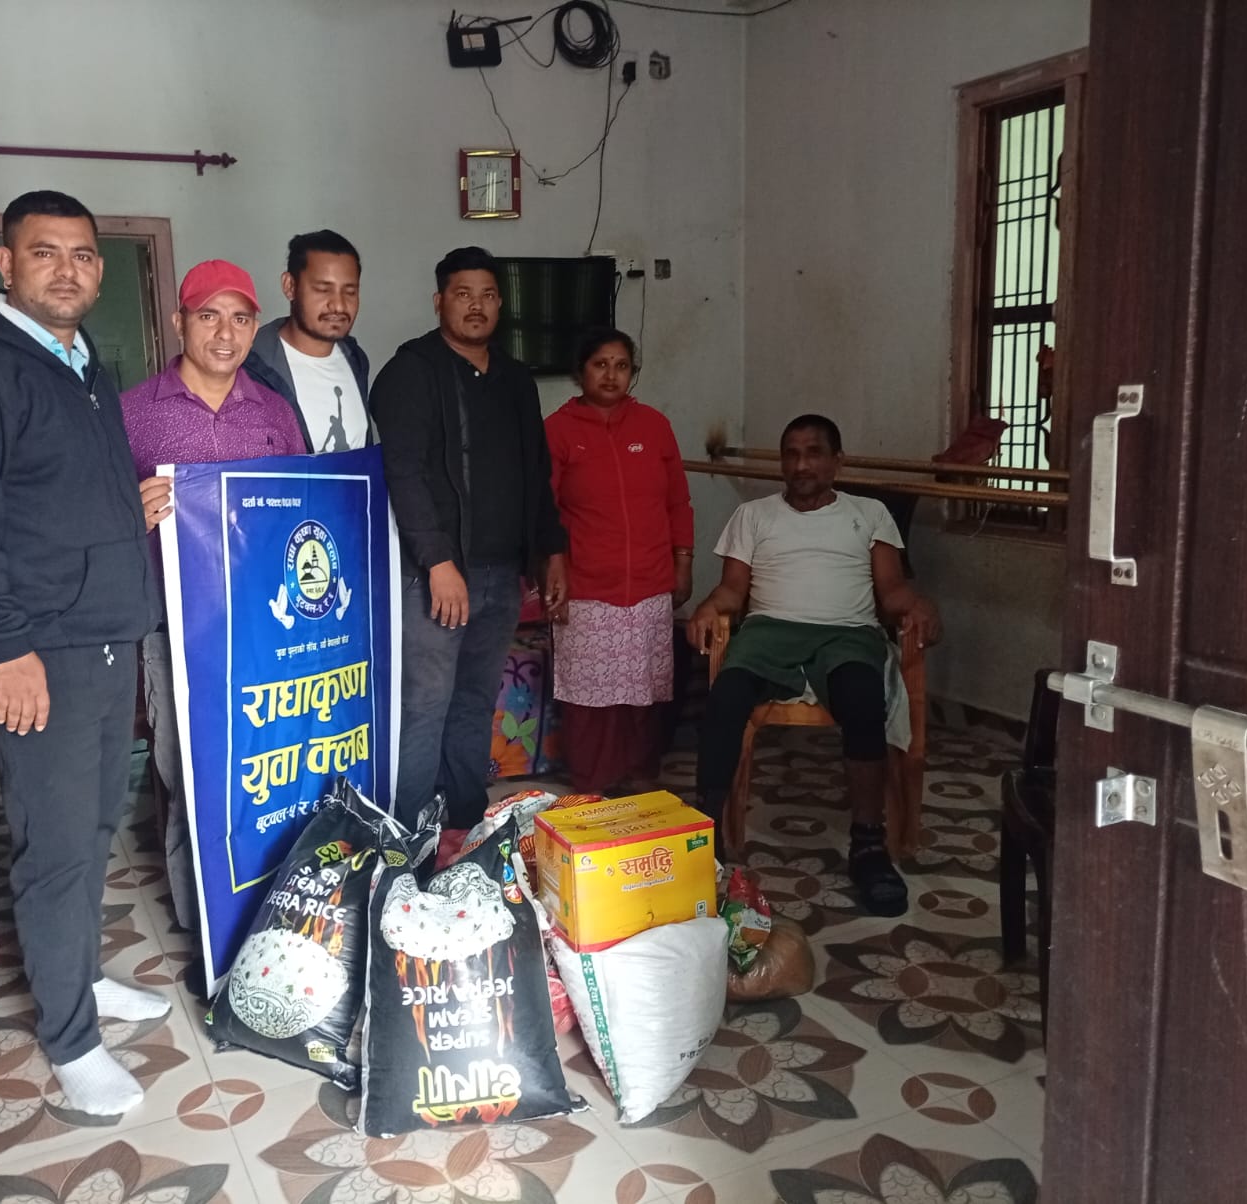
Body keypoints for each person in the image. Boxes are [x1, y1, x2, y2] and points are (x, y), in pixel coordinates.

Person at [0, 191, 167, 1117]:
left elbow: (50, 496)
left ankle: (83, 978)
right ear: (7, 264)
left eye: (84, 255)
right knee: (54, 846)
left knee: (94, 829)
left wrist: (126, 512)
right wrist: (5, 646)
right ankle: (70, 1039)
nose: (69, 270)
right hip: (40, 650)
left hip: (102, 633)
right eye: (45, 252)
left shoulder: (81, 361)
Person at [687, 414, 942, 915]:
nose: (801, 464)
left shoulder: (869, 514)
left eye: (814, 453)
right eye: (791, 454)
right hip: (768, 632)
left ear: (837, 461)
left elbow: (891, 591)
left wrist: (919, 605)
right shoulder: (753, 515)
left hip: (847, 634)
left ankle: (868, 845)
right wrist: (708, 608)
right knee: (725, 697)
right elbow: (733, 591)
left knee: (862, 697)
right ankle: (707, 835)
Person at [121, 260, 306, 935]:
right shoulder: (134, 413)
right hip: (175, 630)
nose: (225, 334)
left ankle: (271, 915)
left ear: (255, 328)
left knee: (266, 770)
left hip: (265, 631)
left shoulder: (275, 412)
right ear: (180, 322)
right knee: (192, 778)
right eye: (208, 316)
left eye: (240, 318)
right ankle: (207, 932)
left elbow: (304, 506)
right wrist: (130, 511)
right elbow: (95, 515)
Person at [371, 246, 568, 827]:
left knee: (475, 702)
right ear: (439, 302)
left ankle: (462, 822)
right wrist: (438, 561)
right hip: (434, 576)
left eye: (486, 295)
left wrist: (551, 550)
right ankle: (408, 835)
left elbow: (536, 473)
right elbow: (403, 473)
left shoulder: (515, 378)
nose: (475, 306)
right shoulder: (412, 372)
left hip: (501, 575)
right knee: (424, 706)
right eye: (463, 294)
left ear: (500, 303)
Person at [545, 328, 694, 793]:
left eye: (622, 365)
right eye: (600, 364)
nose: (611, 375)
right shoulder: (558, 430)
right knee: (589, 697)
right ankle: (593, 786)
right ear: (581, 371)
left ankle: (641, 779)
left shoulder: (654, 425)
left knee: (644, 691)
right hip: (587, 587)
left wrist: (683, 561)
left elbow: (677, 501)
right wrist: (553, 569)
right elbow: (544, 509)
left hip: (650, 584)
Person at [246, 230, 372, 452]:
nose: (338, 305)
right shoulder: (251, 366)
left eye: (350, 292)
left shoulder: (356, 359)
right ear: (290, 286)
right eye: (323, 290)